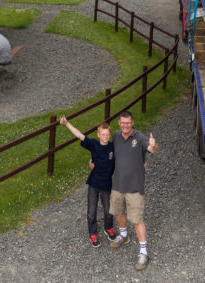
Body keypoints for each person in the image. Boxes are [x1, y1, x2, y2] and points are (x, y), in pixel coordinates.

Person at [108, 110, 158, 271]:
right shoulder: (115, 136)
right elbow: (104, 149)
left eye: (128, 123)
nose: (125, 125)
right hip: (117, 185)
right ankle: (124, 235)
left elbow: (152, 149)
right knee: (118, 212)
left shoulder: (140, 137)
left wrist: (153, 145)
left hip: (135, 187)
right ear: (119, 123)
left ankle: (143, 252)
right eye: (122, 123)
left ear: (133, 123)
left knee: (137, 219)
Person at [59, 116, 117, 248]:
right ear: (98, 135)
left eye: (108, 134)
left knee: (109, 210)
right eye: (103, 134)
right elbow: (79, 135)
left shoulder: (113, 147)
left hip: (107, 184)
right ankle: (93, 233)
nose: (106, 136)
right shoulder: (94, 144)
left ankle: (108, 228)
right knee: (92, 211)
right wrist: (67, 124)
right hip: (94, 184)